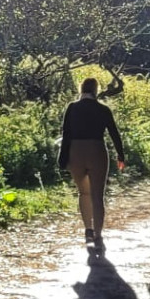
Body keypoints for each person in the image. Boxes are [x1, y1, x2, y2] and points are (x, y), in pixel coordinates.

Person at [57, 77, 126, 253]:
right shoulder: (103, 109)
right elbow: (114, 133)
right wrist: (121, 155)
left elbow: (66, 133)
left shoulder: (72, 108)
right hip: (97, 150)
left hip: (76, 151)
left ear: (81, 89)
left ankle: (88, 229)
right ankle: (98, 235)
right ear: (96, 90)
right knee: (97, 196)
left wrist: (62, 158)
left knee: (84, 193)